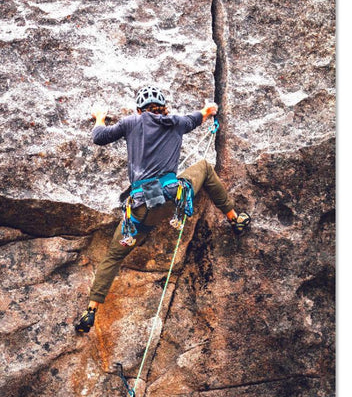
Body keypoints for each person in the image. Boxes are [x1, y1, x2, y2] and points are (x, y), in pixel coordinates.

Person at [75, 85, 251, 334]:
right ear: (163, 106)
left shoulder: (131, 123)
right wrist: (210, 109)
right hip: (172, 199)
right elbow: (203, 114)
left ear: (139, 109)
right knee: (203, 167)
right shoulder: (177, 122)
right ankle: (235, 218)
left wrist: (100, 118)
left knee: (114, 256)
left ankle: (90, 310)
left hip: (139, 209)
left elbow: (99, 137)